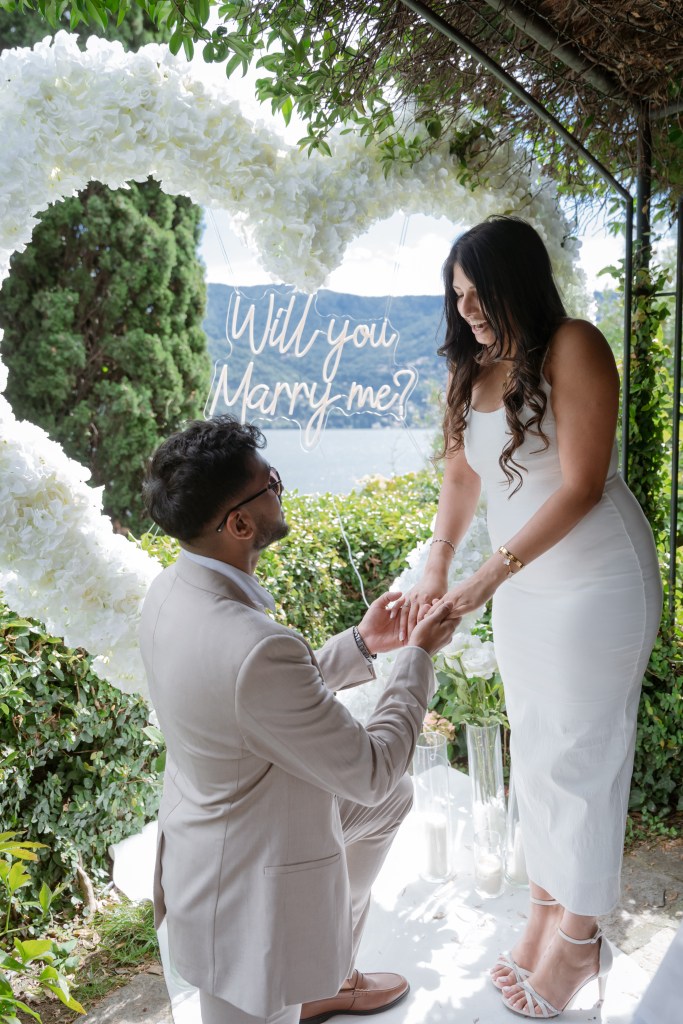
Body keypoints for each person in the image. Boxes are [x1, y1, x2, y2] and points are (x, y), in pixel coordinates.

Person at [397, 216, 662, 1019]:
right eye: (458, 297)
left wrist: (479, 582)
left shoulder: (571, 345)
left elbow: (579, 486)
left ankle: (578, 943)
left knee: (580, 756)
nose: (469, 310)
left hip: (593, 582)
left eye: (479, 293)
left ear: (519, 280)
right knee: (538, 751)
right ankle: (546, 910)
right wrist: (440, 561)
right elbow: (460, 477)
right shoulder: (476, 367)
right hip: (521, 587)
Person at [139, 414, 459, 1024]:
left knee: (391, 805)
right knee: (383, 790)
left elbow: (250, 696)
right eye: (272, 482)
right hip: (240, 884)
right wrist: (417, 656)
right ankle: (297, 972)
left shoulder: (171, 590)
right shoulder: (255, 645)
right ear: (238, 523)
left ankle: (326, 969)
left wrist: (362, 644)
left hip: (221, 816)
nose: (281, 490)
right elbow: (371, 771)